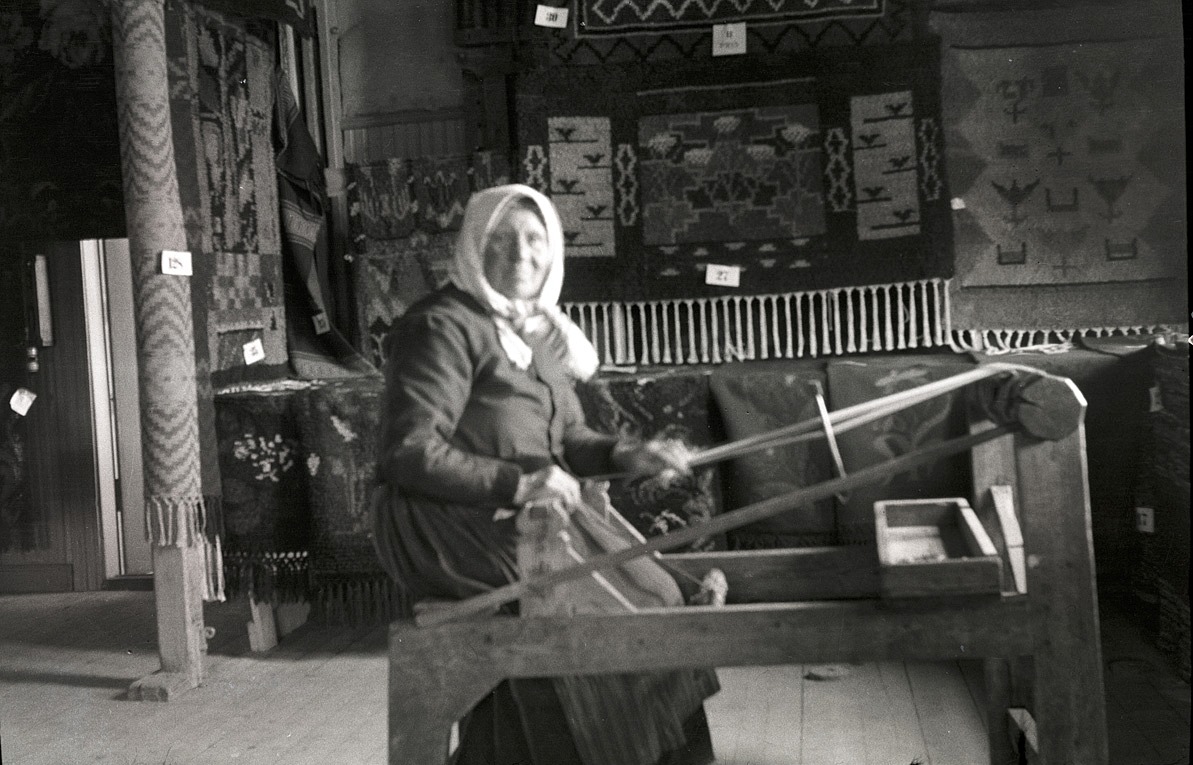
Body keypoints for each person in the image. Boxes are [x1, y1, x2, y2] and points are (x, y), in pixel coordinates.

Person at [371, 184, 719, 765]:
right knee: (607, 616)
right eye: (500, 240)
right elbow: (408, 452)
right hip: (445, 522)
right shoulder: (442, 327)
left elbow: (569, 441)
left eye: (535, 239)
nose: (521, 255)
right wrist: (520, 483)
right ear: (473, 248)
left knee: (658, 594)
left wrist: (630, 455)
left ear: (555, 250)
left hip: (522, 516)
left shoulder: (539, 334)